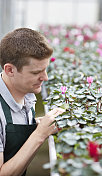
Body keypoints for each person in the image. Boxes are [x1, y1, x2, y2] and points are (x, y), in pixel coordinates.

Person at [0, 28, 64, 176]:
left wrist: (37, 124)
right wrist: (39, 135)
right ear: (10, 70)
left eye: (45, 69)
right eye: (36, 72)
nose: (45, 78)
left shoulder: (26, 94)